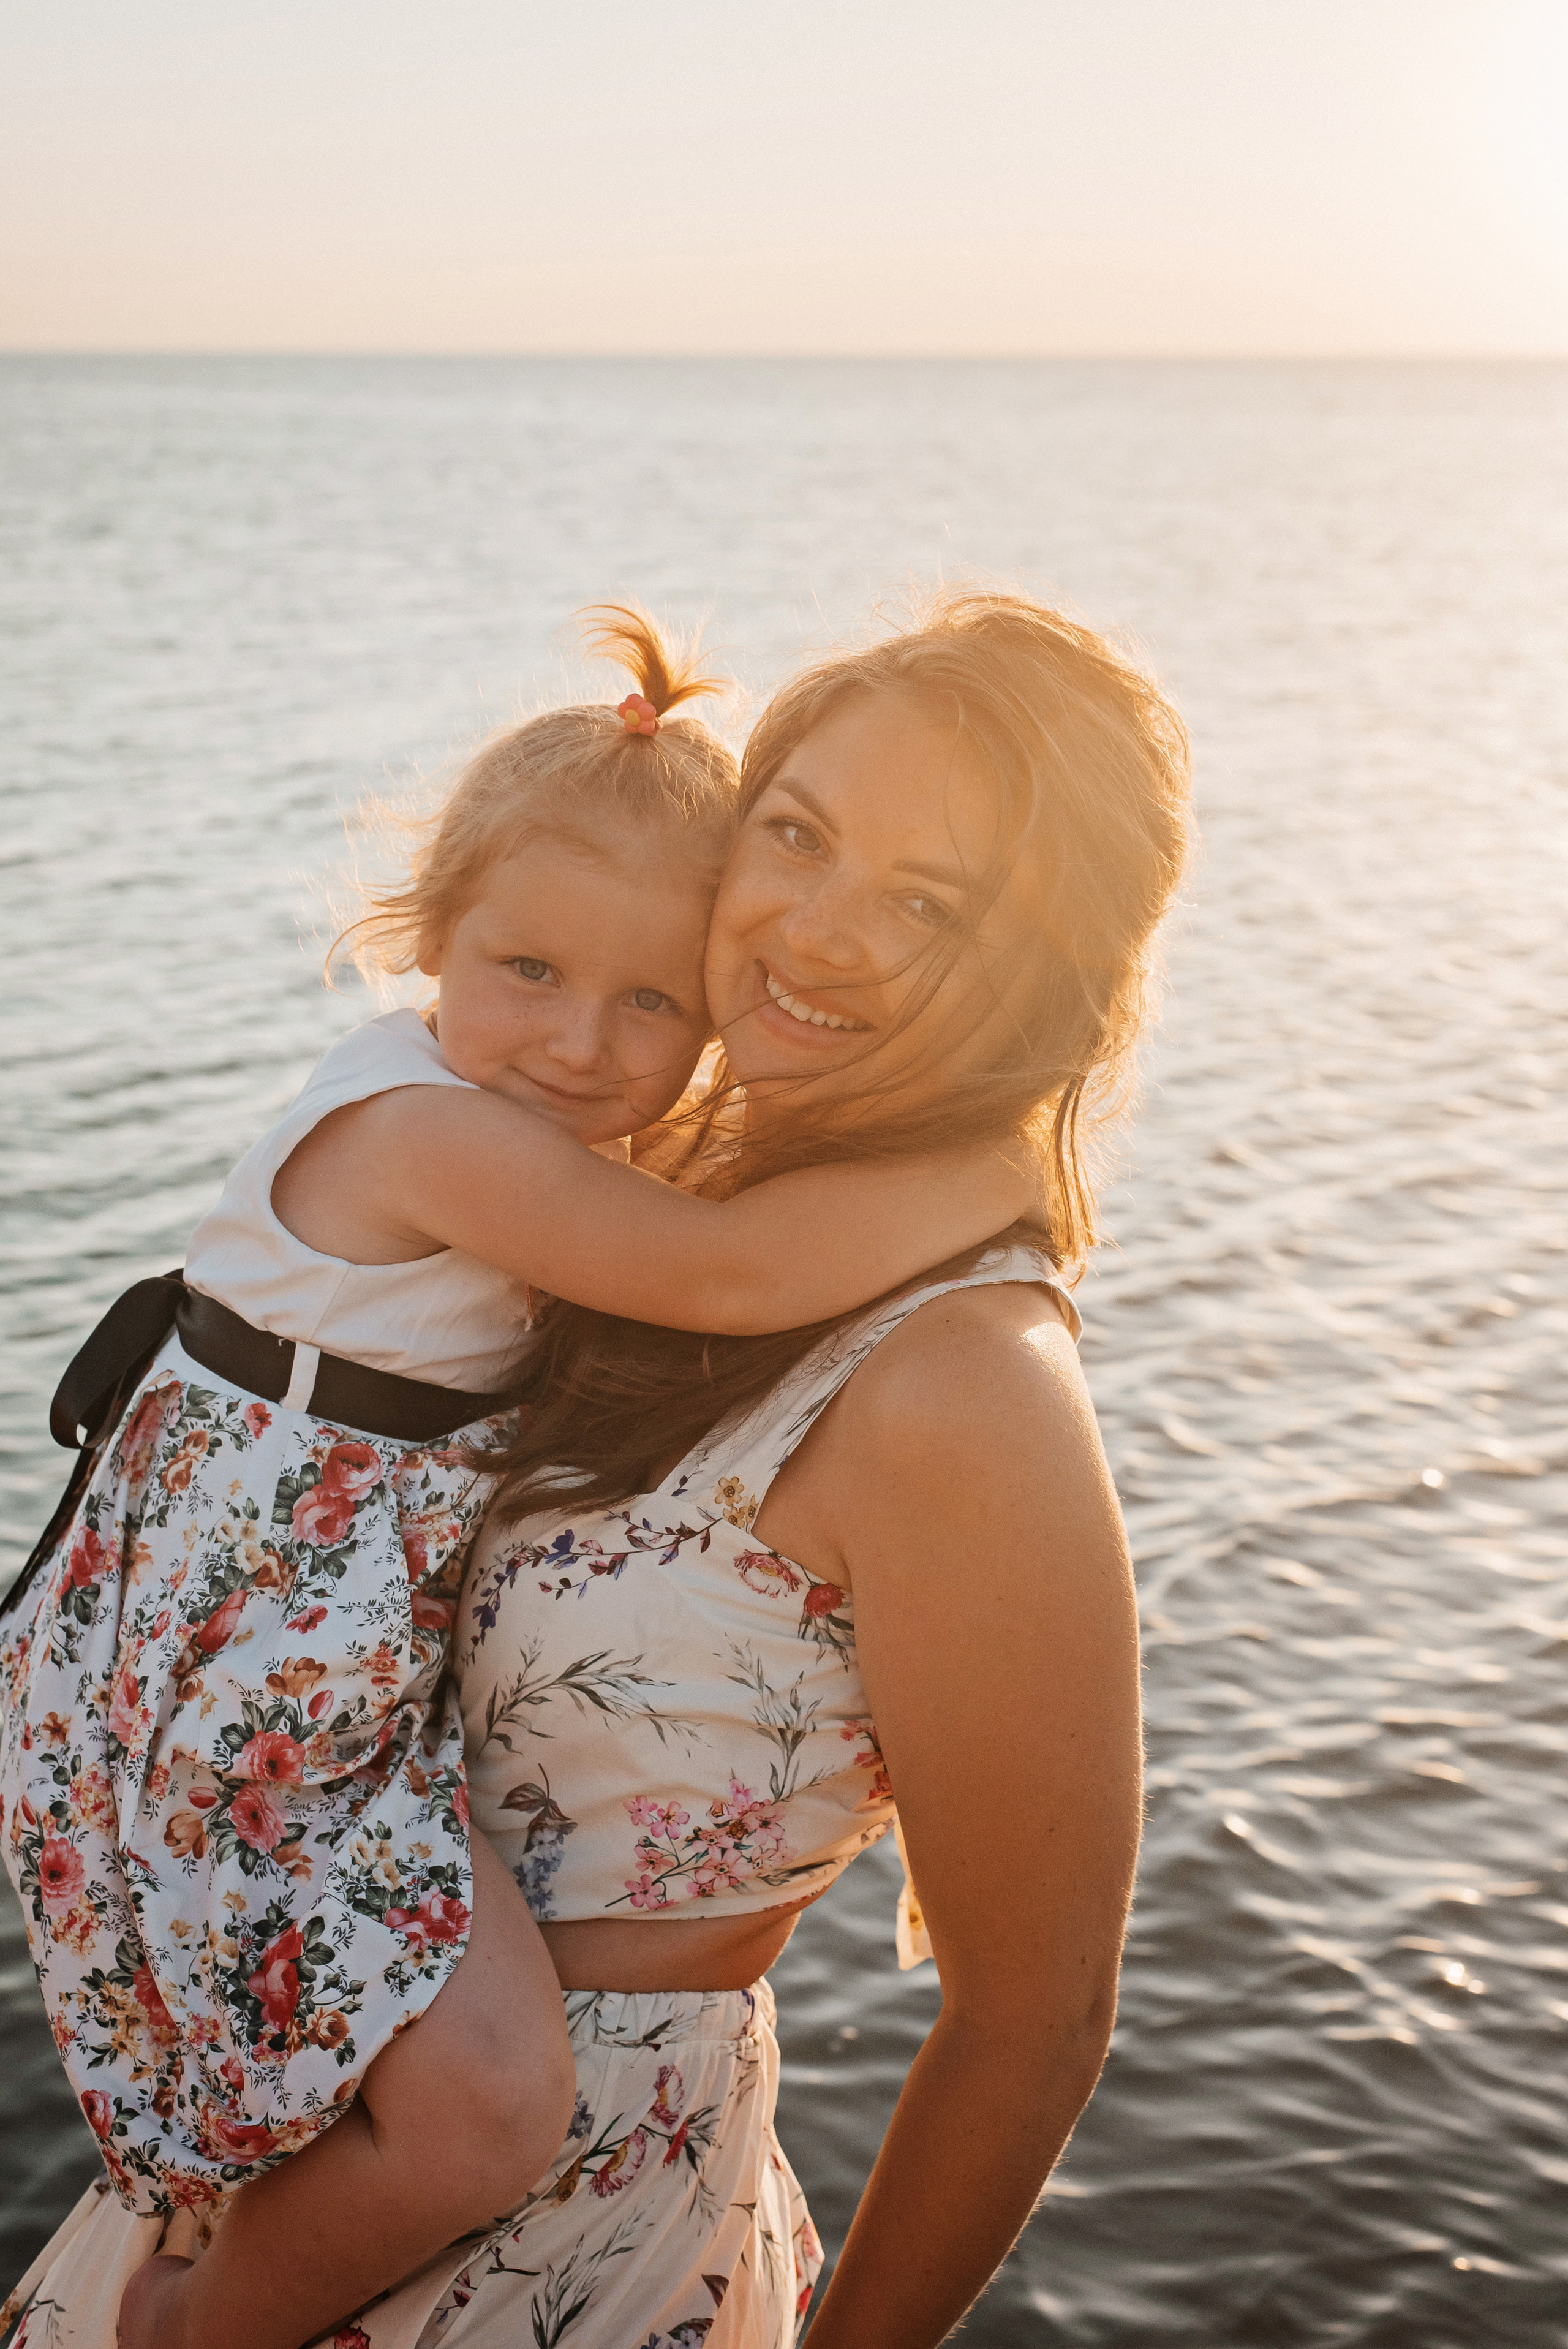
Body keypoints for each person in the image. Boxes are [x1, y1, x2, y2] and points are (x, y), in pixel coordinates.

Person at [0, 608, 1040, 2349]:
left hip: (287, 1668)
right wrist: (1006, 1167)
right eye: (529, 972)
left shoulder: (521, 1122)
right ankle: (192, 2330)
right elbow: (720, 1275)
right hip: (242, 1672)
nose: (578, 1045)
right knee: (485, 2101)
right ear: (423, 935)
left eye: (655, 1000)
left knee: (425, 2086)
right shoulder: (432, 1130)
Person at [305, 587, 1193, 2347]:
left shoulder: (963, 1388)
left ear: (1050, 977)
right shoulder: (655, 1186)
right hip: (318, 2127)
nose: (820, 928)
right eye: (793, 832)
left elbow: (1036, 2022)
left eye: (930, 904)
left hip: (566, 2232)